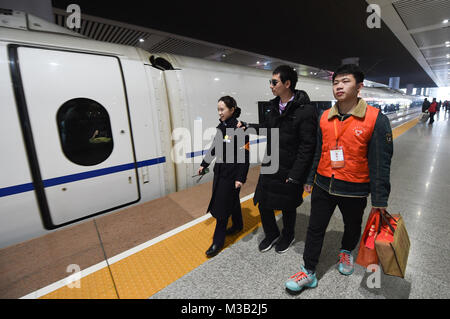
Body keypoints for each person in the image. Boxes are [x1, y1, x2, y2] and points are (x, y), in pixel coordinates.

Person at [285, 64, 393, 293]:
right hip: (324, 184)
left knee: (352, 225)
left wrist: (380, 200)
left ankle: (346, 252)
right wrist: (310, 177)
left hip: (354, 188)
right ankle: (309, 271)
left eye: (345, 81)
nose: (339, 86)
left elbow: (380, 163)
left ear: (359, 87)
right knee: (315, 228)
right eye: (335, 82)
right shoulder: (325, 117)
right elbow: (318, 151)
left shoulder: (375, 119)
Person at [239, 65, 317, 254]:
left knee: (288, 206)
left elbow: (308, 146)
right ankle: (272, 234)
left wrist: (296, 175)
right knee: (263, 202)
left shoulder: (305, 111)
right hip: (271, 164)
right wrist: (249, 127)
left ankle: (288, 235)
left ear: (287, 83)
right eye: (270, 82)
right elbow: (268, 127)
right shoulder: (273, 107)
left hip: (290, 169)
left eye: (274, 82)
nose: (271, 86)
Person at [199, 96, 250, 258]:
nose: (219, 113)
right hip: (220, 172)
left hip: (232, 175)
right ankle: (238, 225)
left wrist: (240, 178)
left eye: (222, 109)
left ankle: (217, 242)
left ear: (232, 109)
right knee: (232, 200)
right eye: (218, 110)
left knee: (221, 209)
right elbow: (214, 148)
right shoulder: (222, 127)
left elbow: (245, 156)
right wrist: (204, 164)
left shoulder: (240, 129)